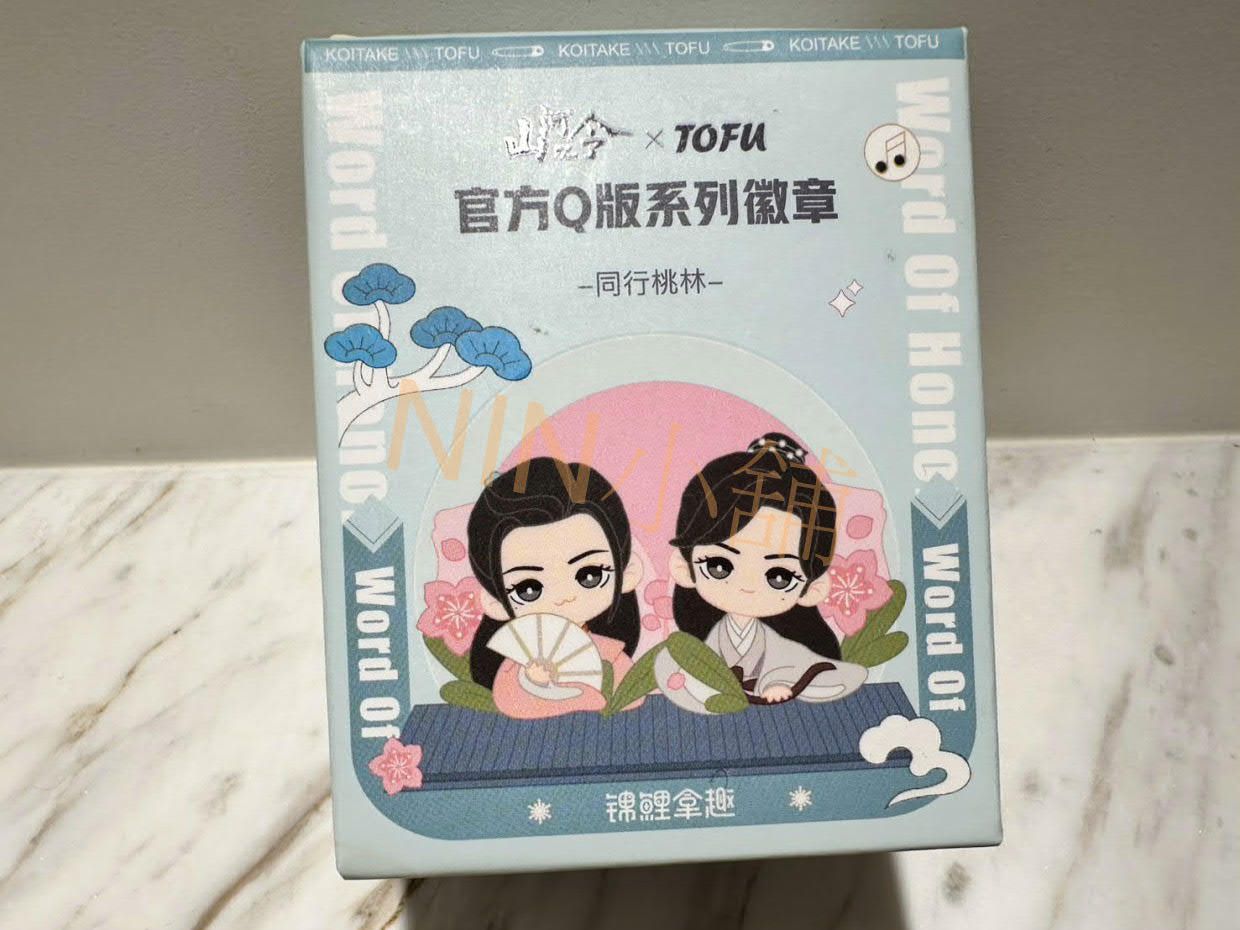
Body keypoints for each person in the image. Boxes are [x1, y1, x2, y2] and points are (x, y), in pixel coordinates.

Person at [670, 433, 866, 704]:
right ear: (683, 566)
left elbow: (813, 669)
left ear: (814, 588)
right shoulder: (702, 644)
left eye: (779, 577)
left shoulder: (785, 647)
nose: (747, 585)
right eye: (719, 566)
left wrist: (777, 681)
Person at [466, 456, 645, 718]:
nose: (564, 597)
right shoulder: (518, 665)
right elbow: (509, 702)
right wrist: (533, 682)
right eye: (529, 589)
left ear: (627, 573)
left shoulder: (610, 654)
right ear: (495, 602)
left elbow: (629, 699)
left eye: (590, 575)